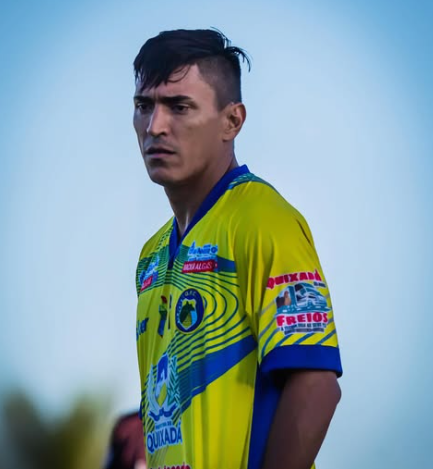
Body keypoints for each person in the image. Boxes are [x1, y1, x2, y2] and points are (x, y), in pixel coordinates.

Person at [132, 29, 342, 469]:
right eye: (144, 105)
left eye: (179, 106)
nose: (155, 126)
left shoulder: (263, 220)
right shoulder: (151, 255)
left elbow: (316, 384)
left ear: (232, 121)